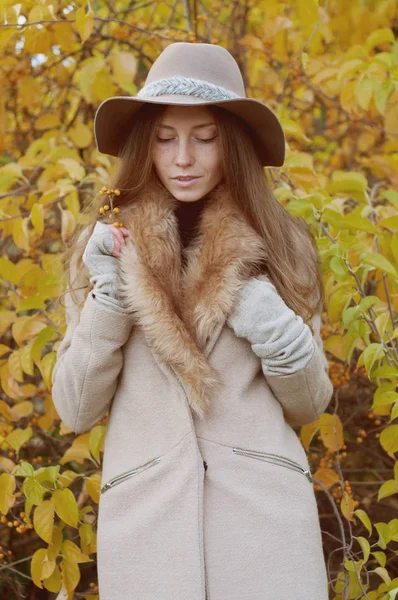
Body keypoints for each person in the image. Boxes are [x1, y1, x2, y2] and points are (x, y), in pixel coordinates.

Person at [52, 42, 334, 600]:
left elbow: (309, 403)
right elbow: (75, 408)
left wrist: (271, 323)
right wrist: (111, 299)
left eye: (204, 138)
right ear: (145, 145)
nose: (183, 157)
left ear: (231, 143)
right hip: (147, 531)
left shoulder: (282, 245)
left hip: (267, 532)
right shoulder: (103, 249)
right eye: (164, 138)